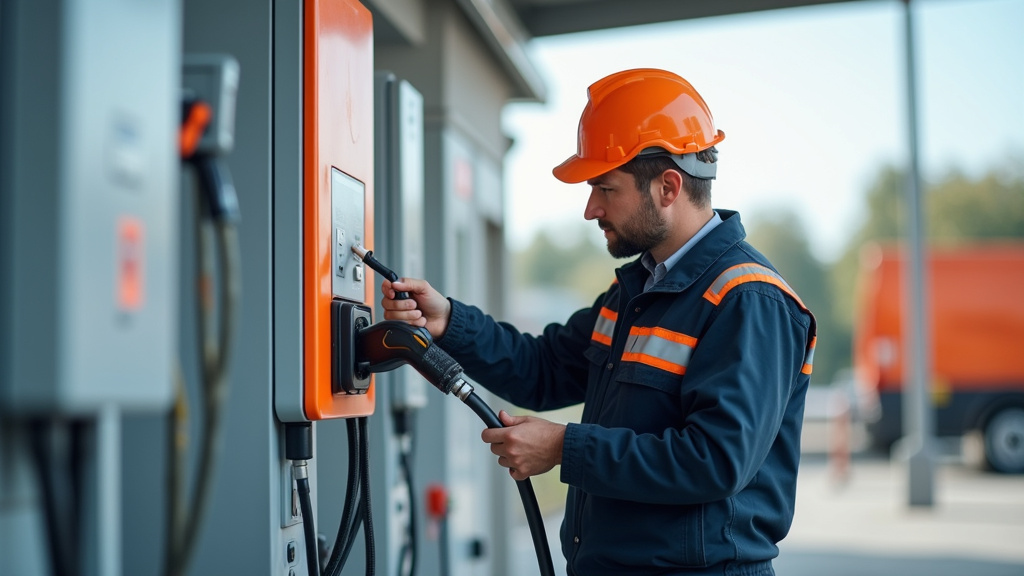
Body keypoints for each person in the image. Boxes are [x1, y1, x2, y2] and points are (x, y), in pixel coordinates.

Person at [381, 68, 816, 576]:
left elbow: (715, 460)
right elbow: (542, 368)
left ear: (668, 187)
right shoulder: (635, 291)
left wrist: (566, 447)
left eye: (605, 188)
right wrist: (448, 322)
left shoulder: (749, 300)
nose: (591, 209)